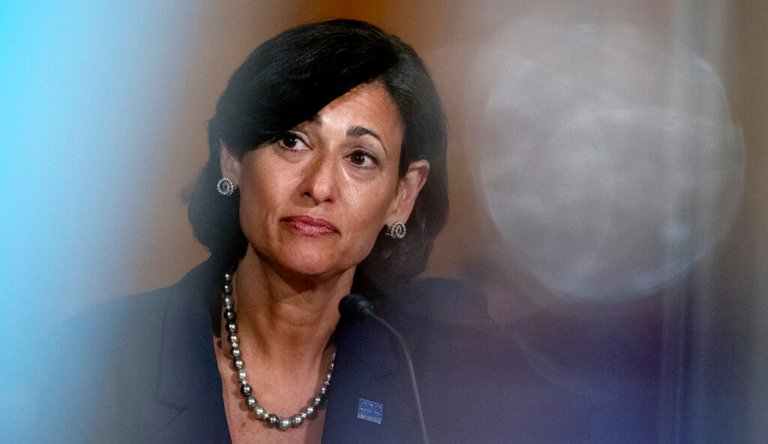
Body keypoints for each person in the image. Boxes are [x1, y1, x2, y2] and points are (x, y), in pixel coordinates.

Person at [45, 19, 508, 443]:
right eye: (292, 141)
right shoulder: (96, 363)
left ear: (402, 196)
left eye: (360, 158)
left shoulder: (443, 367)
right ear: (233, 158)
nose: (319, 187)